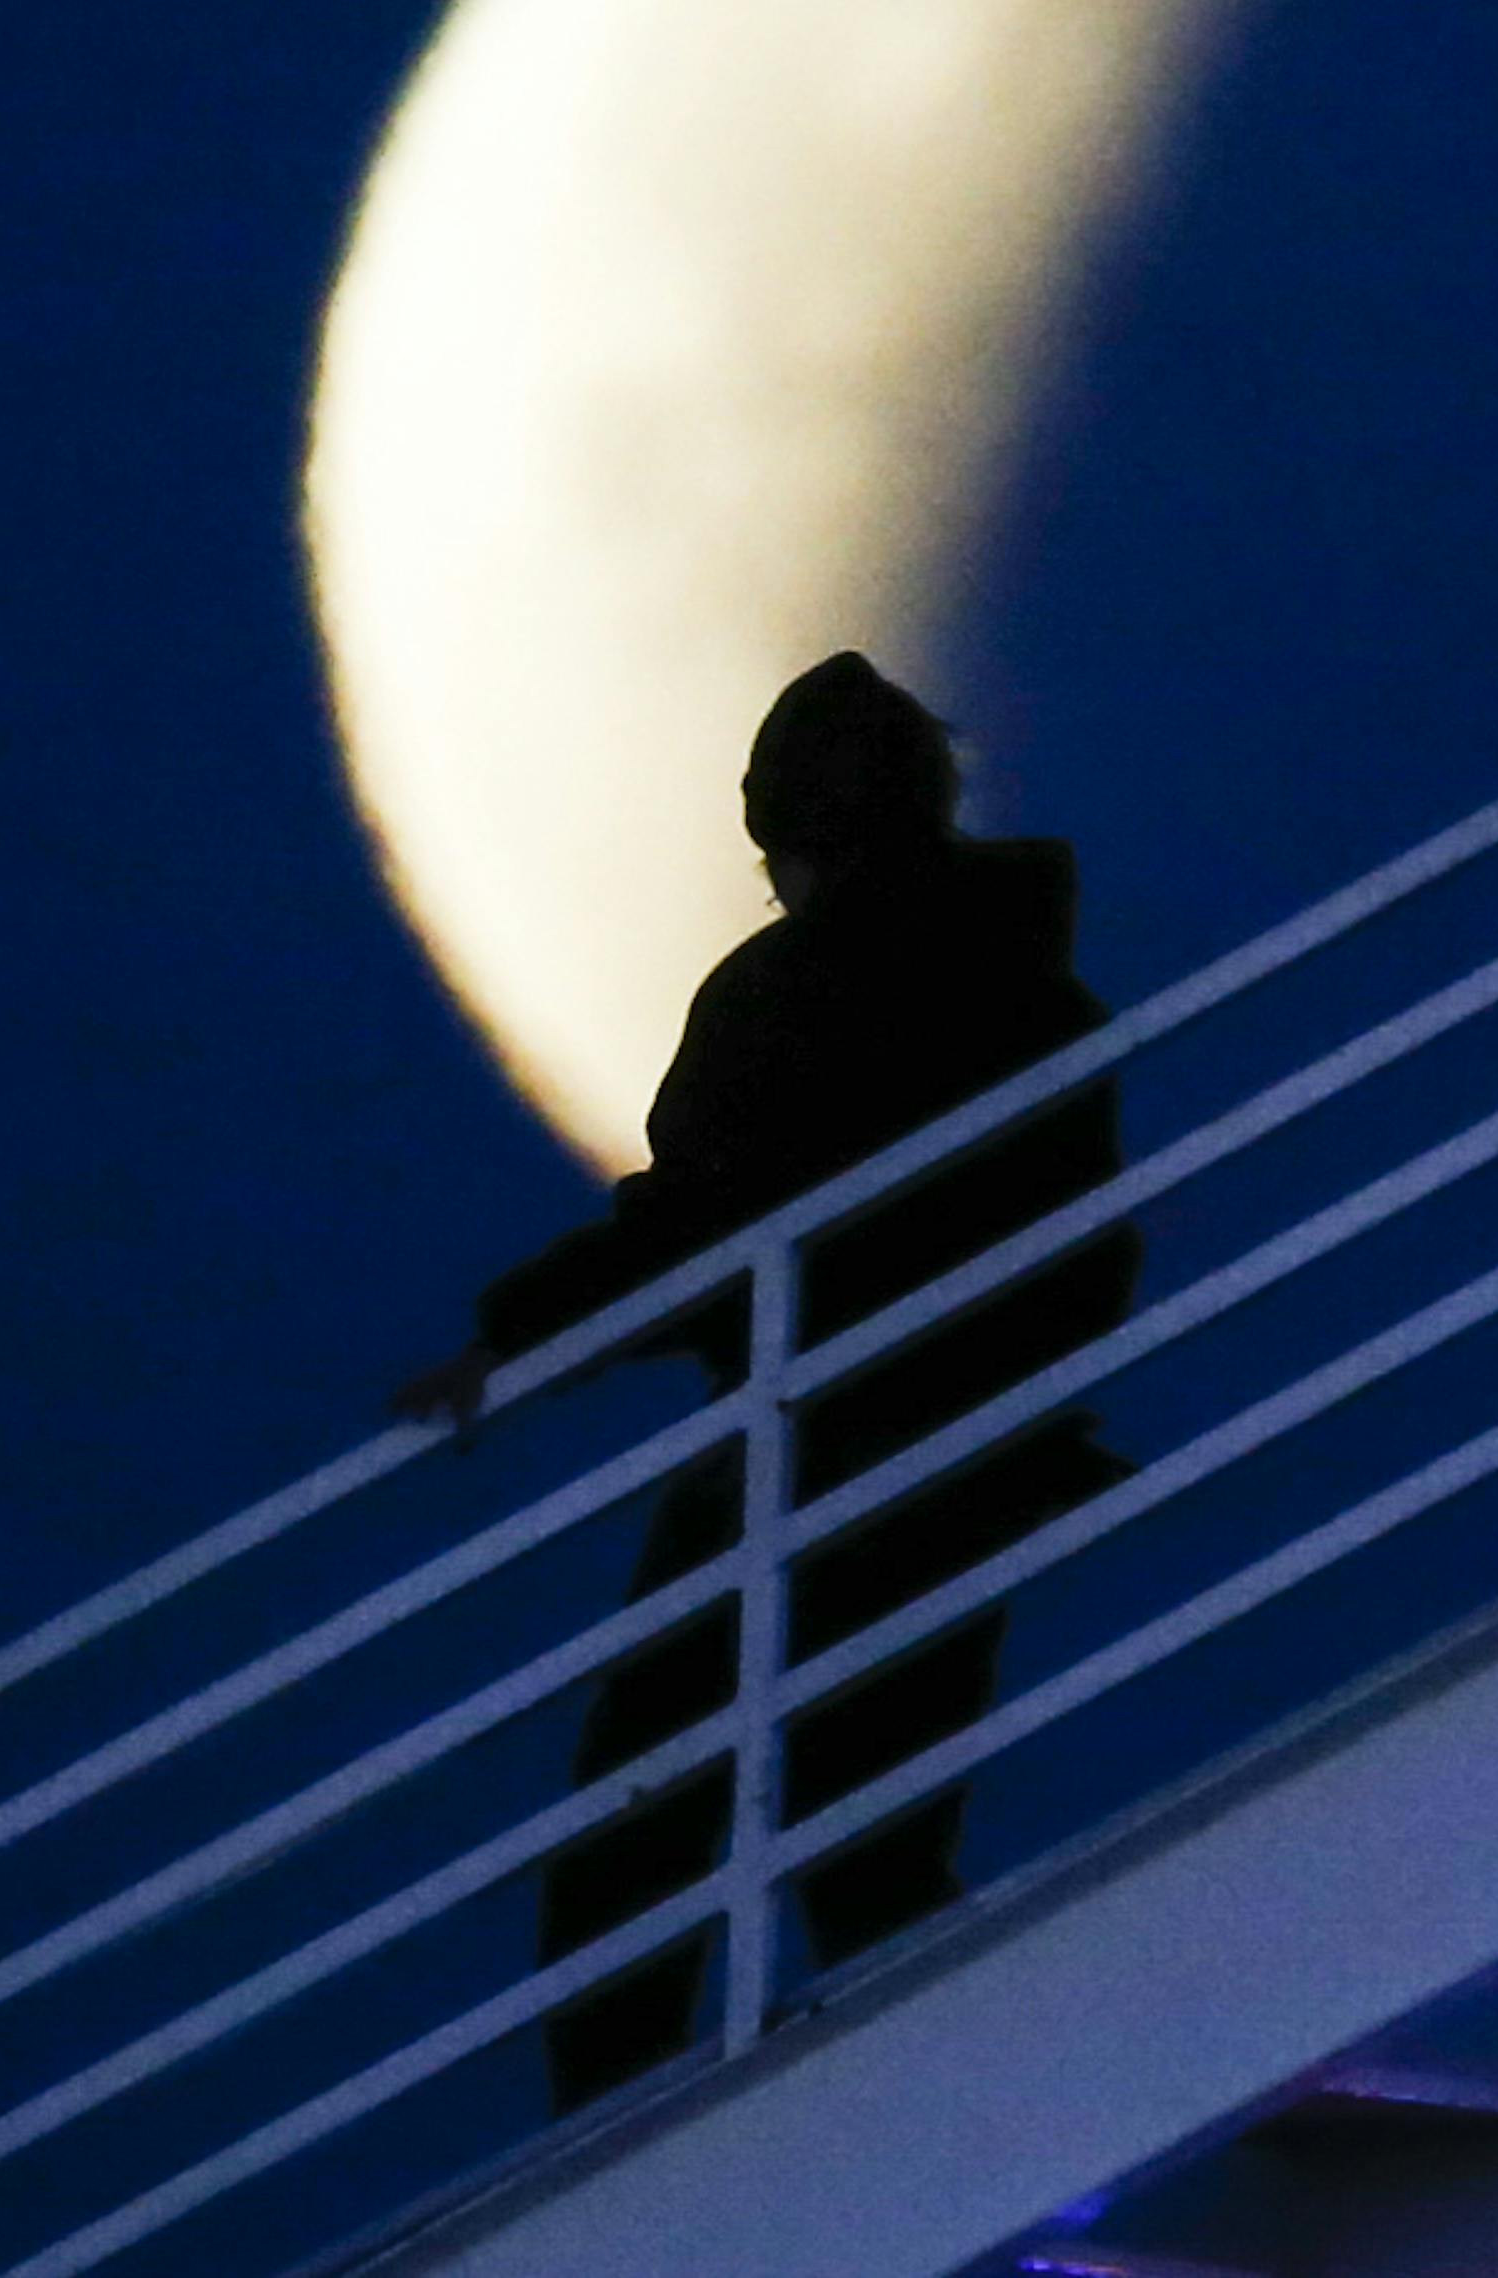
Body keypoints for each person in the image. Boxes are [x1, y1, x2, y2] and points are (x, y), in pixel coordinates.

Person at [393, 654, 1138, 2109]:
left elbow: (704, 1225)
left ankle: (637, 2161)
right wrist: (1034, 1416)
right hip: (965, 1457)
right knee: (873, 1828)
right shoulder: (1041, 997)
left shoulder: (791, 991)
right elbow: (1087, 1247)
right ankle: (973, 2118)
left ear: (793, 834)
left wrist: (511, 1343)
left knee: (640, 1838)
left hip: (810, 1445)